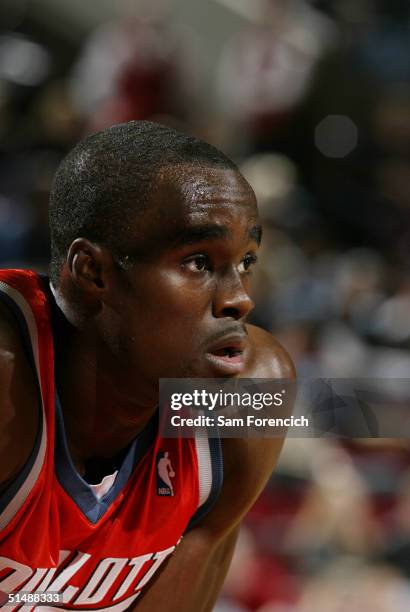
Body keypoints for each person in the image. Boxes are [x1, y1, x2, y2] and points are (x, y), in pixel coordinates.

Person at [0, 121, 294, 611]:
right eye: (200, 262)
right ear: (93, 271)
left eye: (246, 262)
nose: (240, 299)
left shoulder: (250, 395)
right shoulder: (9, 375)